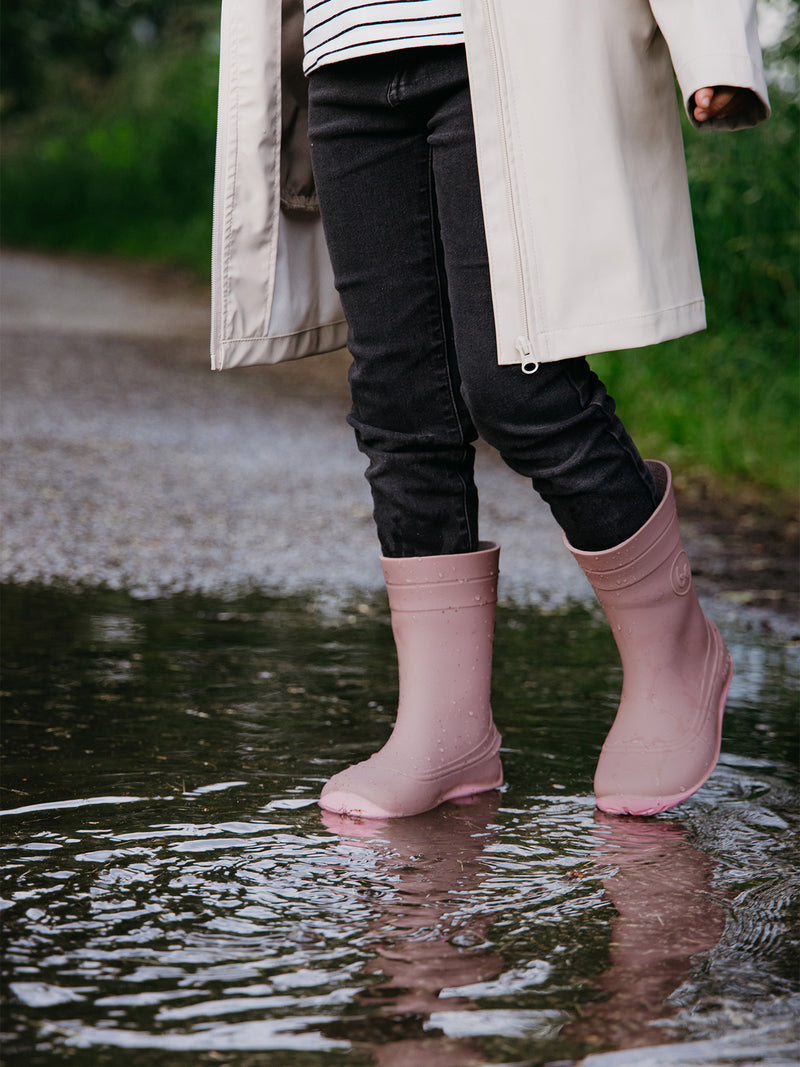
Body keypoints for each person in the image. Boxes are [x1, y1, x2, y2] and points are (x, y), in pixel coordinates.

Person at [211, 0, 769, 819]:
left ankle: (676, 653)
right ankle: (443, 725)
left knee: (518, 381)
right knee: (398, 403)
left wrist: (714, 41)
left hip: (497, 46)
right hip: (340, 56)